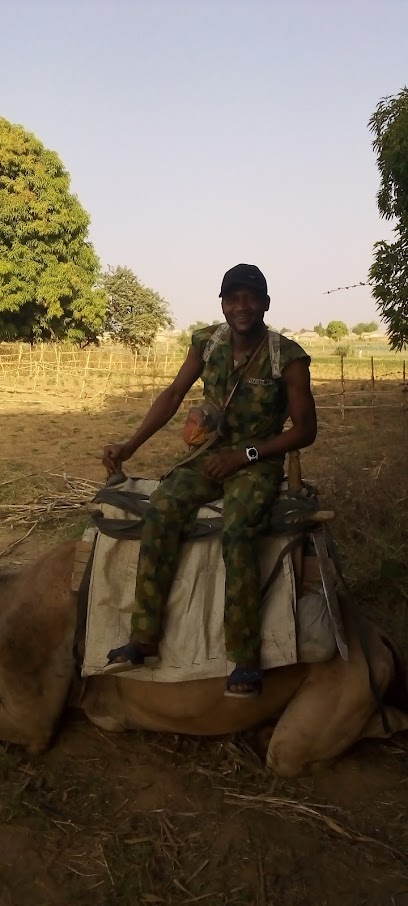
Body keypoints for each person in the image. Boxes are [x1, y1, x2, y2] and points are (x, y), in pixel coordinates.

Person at [102, 263, 317, 698]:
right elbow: (174, 395)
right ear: (222, 304)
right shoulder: (208, 342)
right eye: (232, 298)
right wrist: (129, 446)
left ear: (266, 304)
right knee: (162, 507)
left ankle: (245, 657)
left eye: (250, 297)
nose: (242, 306)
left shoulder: (287, 357)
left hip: (257, 461)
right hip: (210, 456)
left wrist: (247, 455)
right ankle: (143, 637)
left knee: (238, 531)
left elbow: (305, 430)